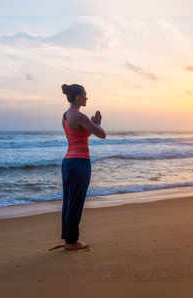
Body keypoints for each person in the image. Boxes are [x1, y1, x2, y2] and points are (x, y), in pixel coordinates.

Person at [59, 83, 106, 251]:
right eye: (85, 95)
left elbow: (80, 134)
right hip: (80, 162)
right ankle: (72, 242)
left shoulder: (66, 115)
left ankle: (68, 238)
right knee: (76, 202)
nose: (87, 98)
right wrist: (97, 124)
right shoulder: (79, 116)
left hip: (68, 162)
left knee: (69, 201)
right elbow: (102, 134)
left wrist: (91, 124)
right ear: (78, 97)